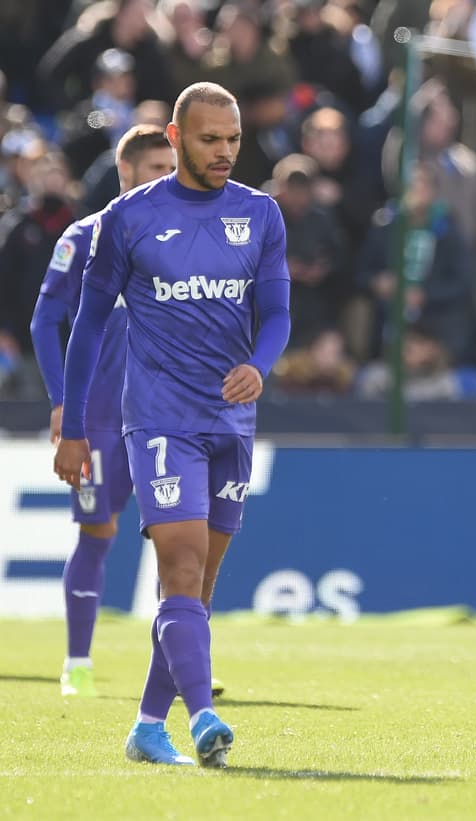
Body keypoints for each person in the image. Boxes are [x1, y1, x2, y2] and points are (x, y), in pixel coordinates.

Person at [53, 82, 291, 768]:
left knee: (198, 587)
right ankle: (205, 715)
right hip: (158, 417)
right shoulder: (127, 220)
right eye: (211, 139)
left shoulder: (261, 214)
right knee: (180, 566)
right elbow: (89, 324)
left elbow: (275, 311)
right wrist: (72, 425)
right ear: (177, 137)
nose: (224, 152)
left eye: (234, 139)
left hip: (233, 420)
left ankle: (147, 726)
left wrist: (262, 362)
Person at [30, 124, 175, 698]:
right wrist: (63, 403)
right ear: (127, 172)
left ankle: (179, 665)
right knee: (97, 531)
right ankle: (77, 663)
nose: (168, 179)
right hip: (100, 424)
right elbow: (45, 322)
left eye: (173, 169)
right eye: (157, 169)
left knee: (179, 538)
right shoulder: (85, 238)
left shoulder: (185, 239)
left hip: (167, 417)